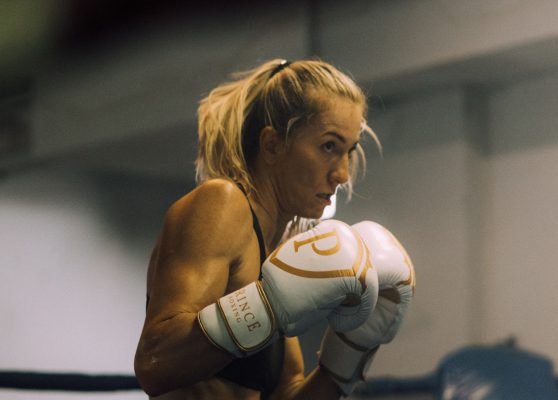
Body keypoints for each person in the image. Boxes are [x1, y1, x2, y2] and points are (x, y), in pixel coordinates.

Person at [134, 58, 414, 400]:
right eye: (329, 146)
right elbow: (155, 363)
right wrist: (266, 307)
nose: (342, 174)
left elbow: (287, 393)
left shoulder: (278, 253)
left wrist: (349, 356)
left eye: (348, 151)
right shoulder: (221, 204)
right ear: (272, 145)